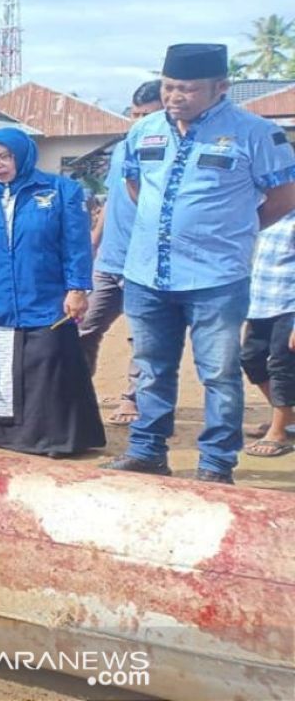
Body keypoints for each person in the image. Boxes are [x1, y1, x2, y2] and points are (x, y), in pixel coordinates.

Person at [103, 43, 295, 484]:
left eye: (187, 89)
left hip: (217, 279)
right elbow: (135, 186)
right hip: (147, 274)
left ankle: (215, 463)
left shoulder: (255, 134)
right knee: (151, 367)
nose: (175, 97)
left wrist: (232, 231)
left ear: (221, 87)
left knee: (219, 374)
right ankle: (147, 451)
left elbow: (283, 198)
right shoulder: (143, 130)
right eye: (169, 87)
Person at [0, 127, 105, 457]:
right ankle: (2, 436)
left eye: (5, 156)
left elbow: (76, 246)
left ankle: (54, 440)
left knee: (47, 364)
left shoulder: (61, 190)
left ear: (22, 155)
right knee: (0, 368)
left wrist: (77, 288)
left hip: (46, 298)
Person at [78, 81, 163, 426]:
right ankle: (78, 391)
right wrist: (94, 241)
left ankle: (133, 398)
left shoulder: (168, 151)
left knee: (142, 336)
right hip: (109, 260)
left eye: (150, 114)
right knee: (83, 327)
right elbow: (112, 199)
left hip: (145, 262)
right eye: (137, 114)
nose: (141, 120)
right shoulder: (123, 149)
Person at [241, 210, 295, 458]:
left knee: (282, 366)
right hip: (261, 303)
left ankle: (279, 432)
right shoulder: (266, 210)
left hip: (289, 305)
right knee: (251, 359)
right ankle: (287, 418)